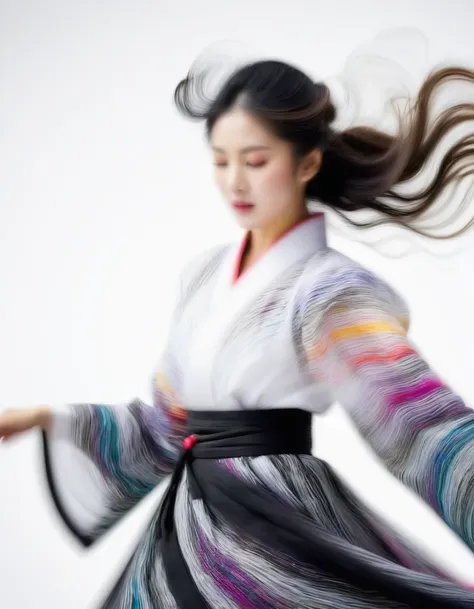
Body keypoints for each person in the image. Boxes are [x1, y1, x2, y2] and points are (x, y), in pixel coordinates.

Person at [2, 55, 474, 609]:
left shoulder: (329, 291)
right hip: (187, 527)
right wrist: (46, 419)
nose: (234, 182)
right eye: (221, 161)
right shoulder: (203, 275)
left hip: (278, 530)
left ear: (307, 164)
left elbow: (416, 428)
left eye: (254, 160)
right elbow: (165, 425)